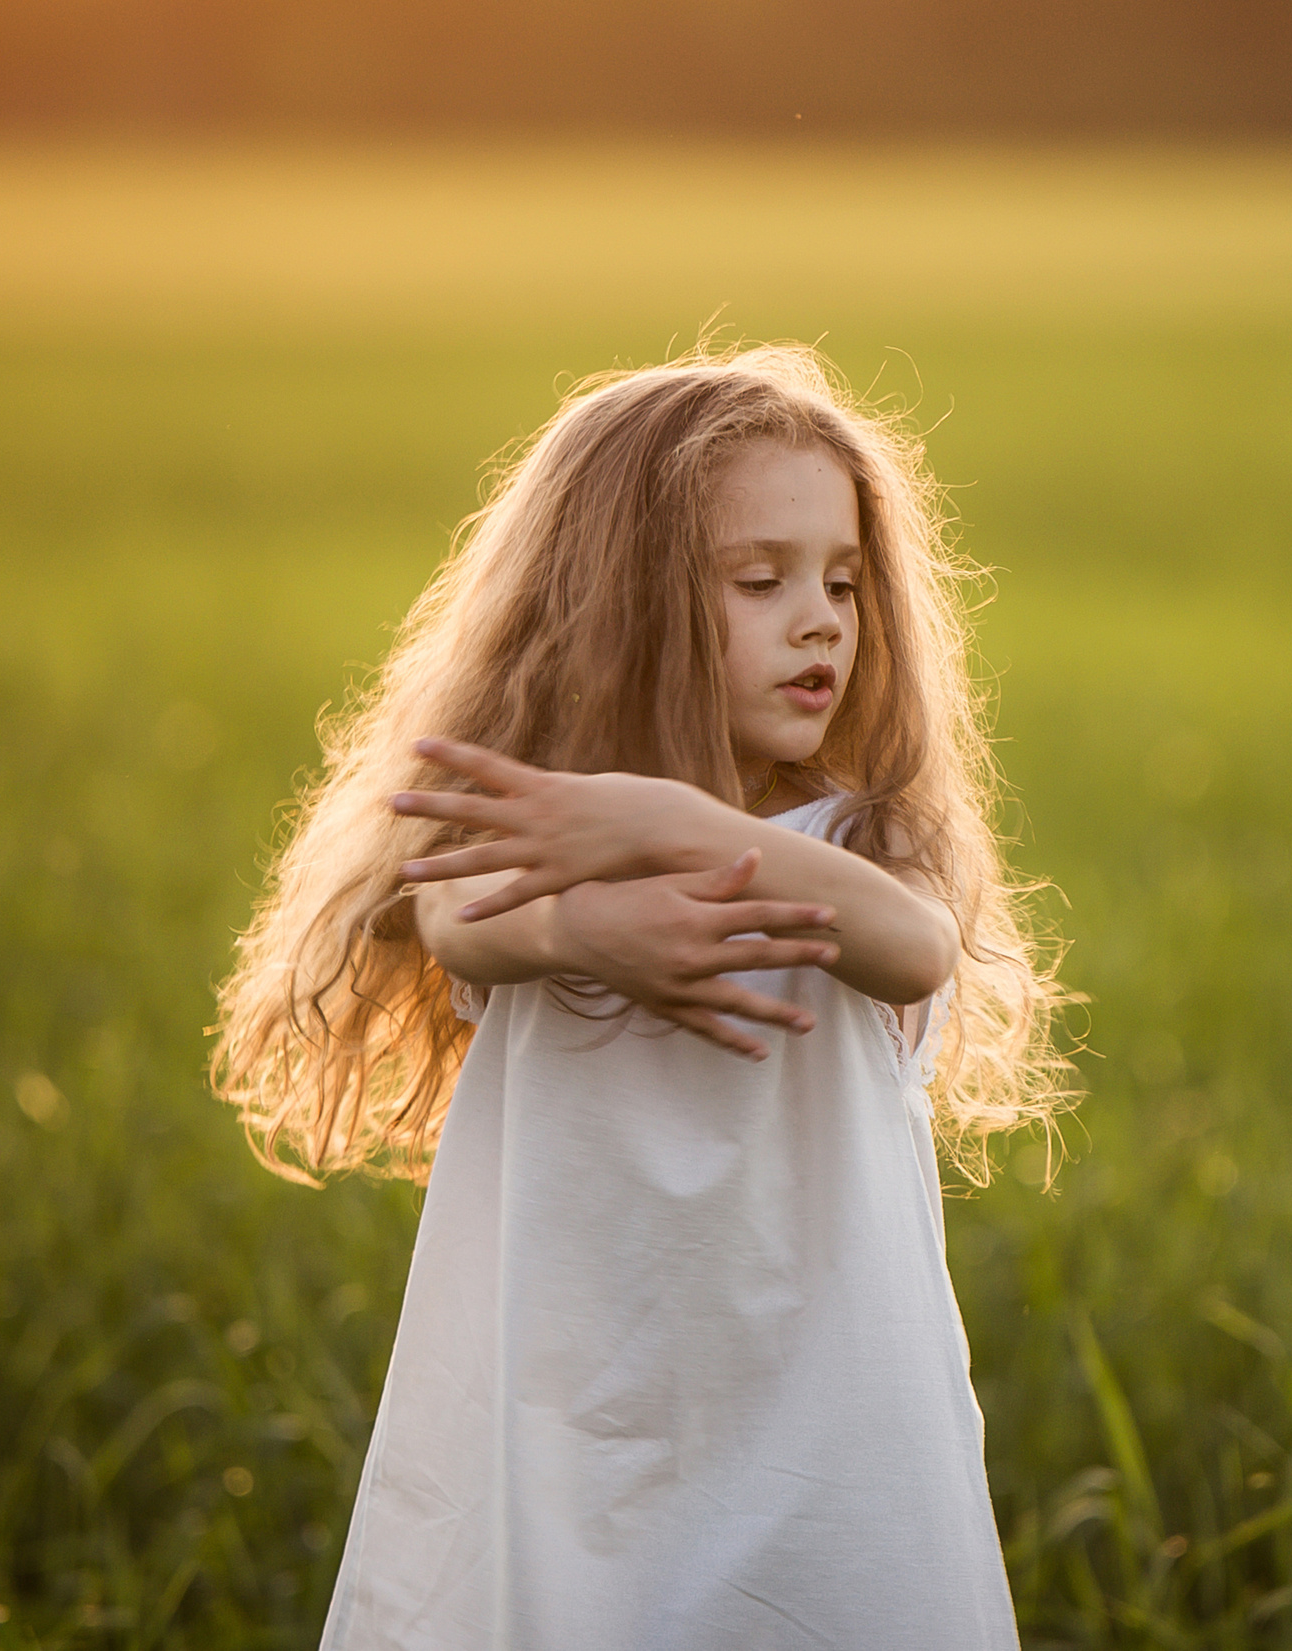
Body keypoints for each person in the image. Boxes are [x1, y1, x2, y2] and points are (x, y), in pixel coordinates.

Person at [210, 343, 1075, 1649]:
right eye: (759, 580)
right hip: (587, 1400)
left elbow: (912, 946)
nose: (821, 620)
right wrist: (589, 924)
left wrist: (673, 824)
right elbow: (460, 914)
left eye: (842, 581)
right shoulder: (548, 837)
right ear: (623, 601)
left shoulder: (864, 835)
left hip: (824, 1404)